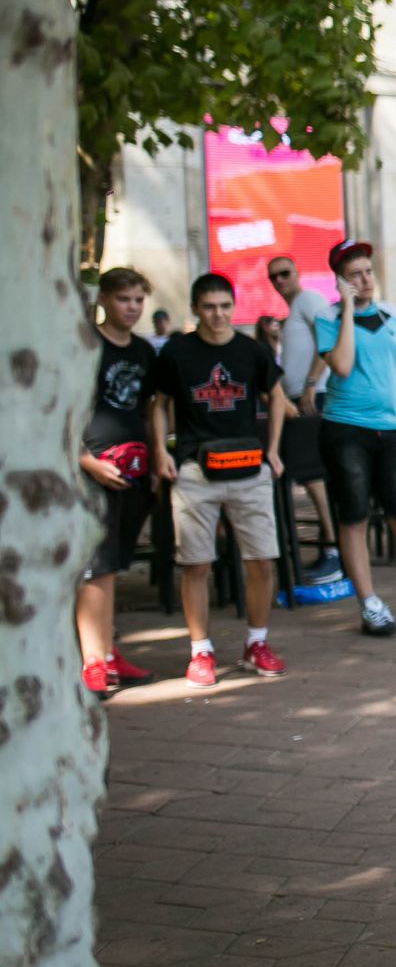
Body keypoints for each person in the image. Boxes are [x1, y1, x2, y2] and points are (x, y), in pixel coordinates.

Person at [150, 273, 294, 689]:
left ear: (234, 307)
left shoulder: (251, 350)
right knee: (196, 564)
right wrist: (160, 451)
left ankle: (256, 642)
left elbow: (277, 397)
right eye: (210, 307)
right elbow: (158, 404)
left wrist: (273, 450)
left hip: (249, 467)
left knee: (262, 560)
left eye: (225, 306)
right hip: (195, 469)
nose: (218, 315)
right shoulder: (177, 352)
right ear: (196, 309)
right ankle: (201, 650)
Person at [317, 239, 396, 636]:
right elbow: (341, 365)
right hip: (345, 430)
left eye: (367, 272)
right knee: (354, 516)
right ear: (340, 281)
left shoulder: (390, 317)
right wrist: (345, 310)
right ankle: (370, 603)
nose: (364, 280)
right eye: (354, 275)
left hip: (390, 431)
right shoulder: (327, 318)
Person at [76, 268, 159, 696]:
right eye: (124, 299)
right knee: (97, 567)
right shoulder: (85, 345)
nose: (132, 307)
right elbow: (62, 410)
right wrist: (86, 461)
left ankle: (108, 651)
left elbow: (152, 407)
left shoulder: (144, 351)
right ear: (104, 300)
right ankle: (93, 661)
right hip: (94, 469)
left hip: (135, 469)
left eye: (138, 300)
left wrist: (157, 458)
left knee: (115, 564)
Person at [268, 256, 339, 578]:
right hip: (298, 398)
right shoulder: (293, 310)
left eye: (285, 273)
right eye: (274, 276)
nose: (280, 280)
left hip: (314, 396)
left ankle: (333, 546)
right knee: (310, 473)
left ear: (297, 272)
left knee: (313, 474)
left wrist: (311, 383)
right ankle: (331, 545)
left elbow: (330, 339)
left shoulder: (309, 299)